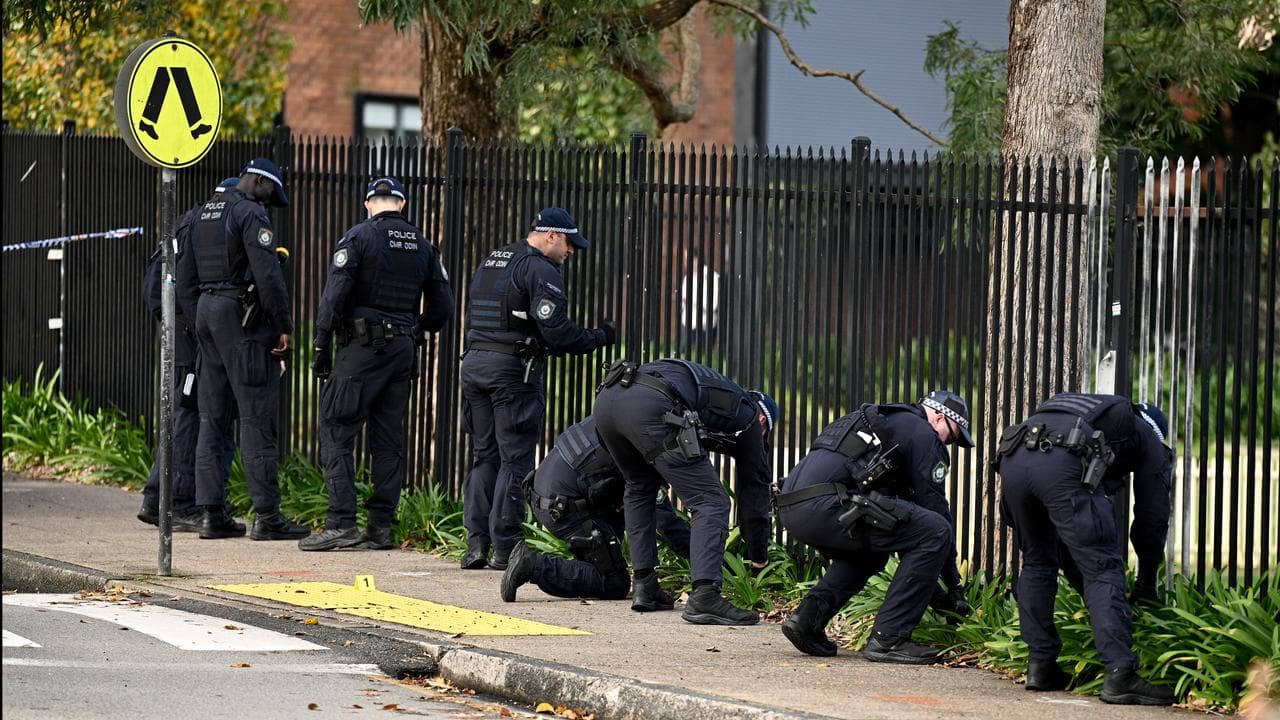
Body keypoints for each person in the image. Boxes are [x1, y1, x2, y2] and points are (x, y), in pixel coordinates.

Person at [298, 176, 454, 551]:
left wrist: (321, 345)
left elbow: (334, 297)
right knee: (388, 440)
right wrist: (415, 329)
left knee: (336, 428)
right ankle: (380, 527)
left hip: (360, 350)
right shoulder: (424, 246)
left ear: (369, 204)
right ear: (401, 204)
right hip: (402, 350)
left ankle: (341, 522)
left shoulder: (358, 238)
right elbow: (443, 307)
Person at [992, 393, 1175, 705]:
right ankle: (1120, 674)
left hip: (1013, 457)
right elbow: (1152, 516)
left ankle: (1041, 666)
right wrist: (1146, 580)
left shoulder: (1091, 410)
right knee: (1103, 567)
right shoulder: (1148, 436)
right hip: (1062, 459)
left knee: (1037, 561)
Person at [459, 207, 615, 570]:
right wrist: (598, 337)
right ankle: (505, 545)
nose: (571, 252)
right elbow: (555, 330)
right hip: (511, 373)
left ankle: (475, 544)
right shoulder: (541, 269)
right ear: (552, 236)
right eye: (570, 243)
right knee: (514, 458)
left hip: (475, 365)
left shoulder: (494, 259)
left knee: (485, 456)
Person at [774, 390, 974, 663]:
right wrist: (954, 586)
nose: (949, 443)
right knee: (937, 529)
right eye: (952, 436)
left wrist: (938, 594)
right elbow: (934, 514)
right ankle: (889, 639)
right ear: (939, 418)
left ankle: (806, 621)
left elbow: (907, 531)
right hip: (829, 506)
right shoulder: (923, 434)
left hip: (793, 506)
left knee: (870, 553)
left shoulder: (886, 422)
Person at [176, 157, 308, 541]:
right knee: (255, 418)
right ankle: (267, 516)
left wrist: (199, 321)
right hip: (240, 322)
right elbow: (268, 276)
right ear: (260, 183)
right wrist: (282, 326)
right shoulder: (249, 213)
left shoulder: (203, 213)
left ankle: (211, 516)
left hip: (206, 316)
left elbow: (185, 279)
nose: (270, 204)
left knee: (212, 419)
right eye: (271, 194)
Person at [592, 358, 778, 626]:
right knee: (711, 500)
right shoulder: (748, 415)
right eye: (765, 433)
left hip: (608, 401)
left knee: (639, 487)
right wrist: (758, 557)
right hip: (650, 404)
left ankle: (645, 585)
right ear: (763, 418)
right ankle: (705, 596)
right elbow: (754, 491)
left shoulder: (717, 390)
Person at [138, 177, 239, 532]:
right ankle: (178, 501)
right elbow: (164, 288)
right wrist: (194, 329)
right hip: (190, 336)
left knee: (184, 412)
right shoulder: (204, 226)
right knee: (190, 416)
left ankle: (157, 497)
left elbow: (154, 292)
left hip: (180, 332)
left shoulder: (184, 222)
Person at [501, 415, 691, 602]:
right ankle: (532, 565)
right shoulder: (649, 446)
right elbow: (666, 523)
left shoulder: (622, 412)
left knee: (624, 512)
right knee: (613, 582)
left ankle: (593, 564)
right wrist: (710, 565)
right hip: (564, 508)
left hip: (550, 492)